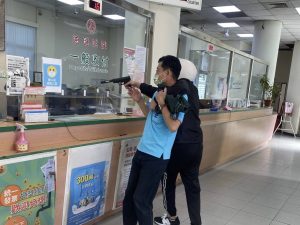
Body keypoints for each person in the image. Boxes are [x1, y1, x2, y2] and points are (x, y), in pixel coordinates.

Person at [126, 59, 203, 225]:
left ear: (169, 73)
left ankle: (173, 218)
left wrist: (161, 104)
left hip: (163, 153)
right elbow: (151, 112)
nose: (156, 73)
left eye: (159, 69)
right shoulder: (165, 91)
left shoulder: (181, 94)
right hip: (149, 150)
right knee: (130, 198)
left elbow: (173, 125)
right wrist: (140, 98)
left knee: (147, 196)